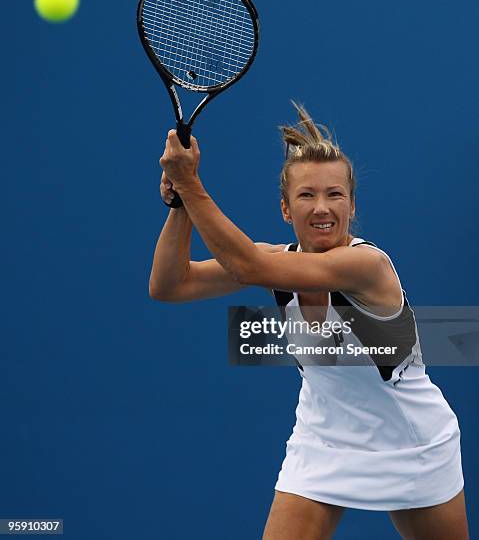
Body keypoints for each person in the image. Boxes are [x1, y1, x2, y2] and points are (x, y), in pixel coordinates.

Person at [149, 105, 469, 540]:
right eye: (306, 195)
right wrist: (180, 204)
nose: (322, 208)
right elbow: (171, 284)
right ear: (285, 209)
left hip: (413, 445)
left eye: (335, 194)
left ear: (352, 205)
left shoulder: (367, 266)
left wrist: (190, 182)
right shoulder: (277, 261)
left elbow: (247, 266)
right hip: (323, 441)